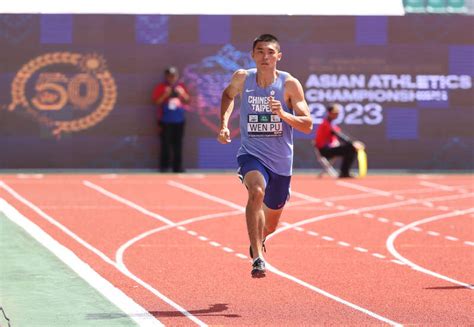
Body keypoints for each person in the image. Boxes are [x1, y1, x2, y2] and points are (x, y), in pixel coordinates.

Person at [217, 34, 313, 278]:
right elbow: (228, 95)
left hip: (281, 163)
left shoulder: (290, 85)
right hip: (251, 154)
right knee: (256, 191)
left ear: (279, 56)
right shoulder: (243, 78)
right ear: (252, 55)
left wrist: (283, 114)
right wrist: (225, 124)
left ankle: (258, 240)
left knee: (269, 224)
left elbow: (307, 124)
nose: (265, 57)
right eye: (260, 51)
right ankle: (258, 258)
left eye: (270, 52)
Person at [152, 66, 190, 173]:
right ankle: (164, 167)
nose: (171, 78)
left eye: (173, 76)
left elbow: (187, 100)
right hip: (165, 121)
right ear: (166, 77)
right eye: (169, 76)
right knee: (165, 144)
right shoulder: (161, 87)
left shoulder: (181, 86)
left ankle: (177, 167)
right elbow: (156, 102)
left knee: (178, 144)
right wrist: (165, 94)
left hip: (179, 120)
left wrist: (182, 93)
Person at [313, 103, 365, 178]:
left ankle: (344, 172)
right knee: (351, 148)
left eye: (338, 113)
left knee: (351, 149)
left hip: (329, 149)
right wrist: (353, 143)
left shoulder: (331, 123)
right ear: (329, 113)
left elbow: (342, 134)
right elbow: (339, 135)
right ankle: (344, 173)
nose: (337, 115)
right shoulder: (326, 124)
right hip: (324, 151)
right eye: (335, 113)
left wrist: (353, 142)